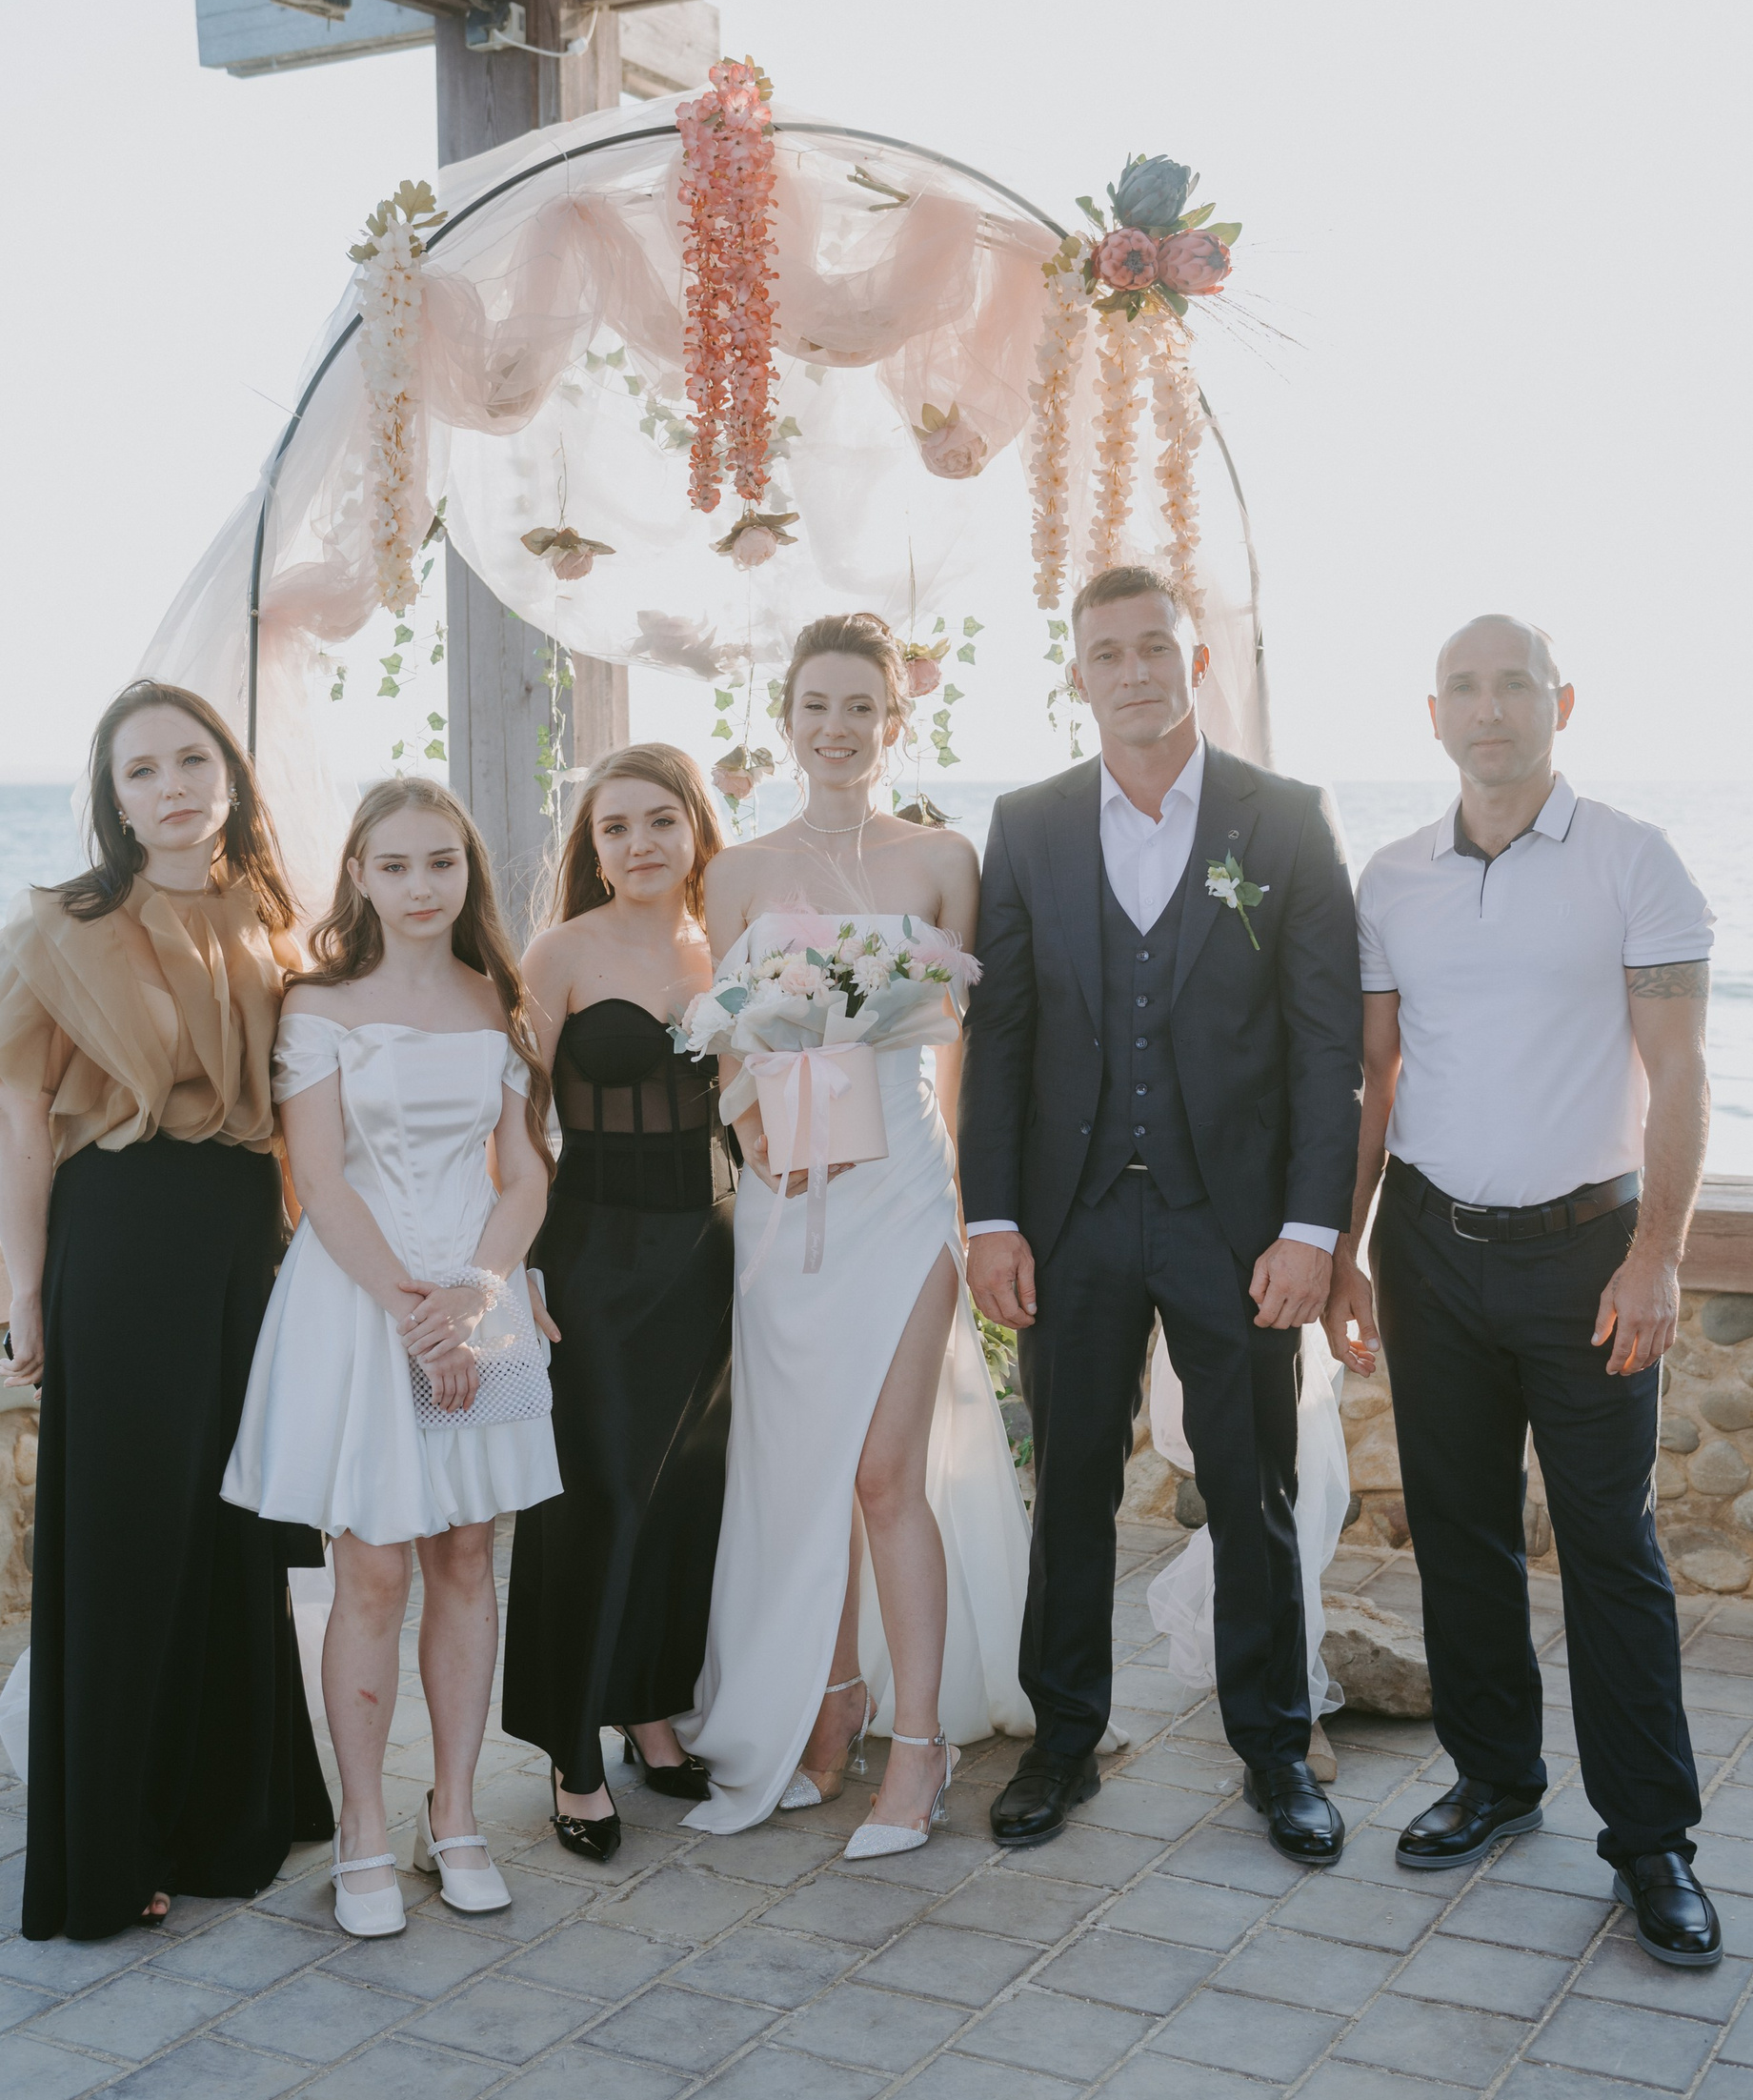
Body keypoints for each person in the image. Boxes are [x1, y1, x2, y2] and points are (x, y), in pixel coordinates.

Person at [1327, 615, 1722, 1968]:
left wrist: (1657, 1252)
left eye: (1514, 685)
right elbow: (1375, 1079)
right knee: (1458, 1527)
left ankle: (1652, 1839)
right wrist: (1346, 1248)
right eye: (1465, 688)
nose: (1489, 709)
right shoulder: (1392, 879)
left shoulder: (1633, 859)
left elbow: (1680, 1071)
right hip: (1430, 1249)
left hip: (1587, 1252)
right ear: (1432, 713)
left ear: (1562, 702)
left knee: (1611, 1544)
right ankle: (1495, 1776)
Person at [960, 564, 1362, 1864]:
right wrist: (991, 1216)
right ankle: (1064, 1739)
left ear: (1195, 661)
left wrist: (1312, 1231)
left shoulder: (1284, 819)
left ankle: (1277, 1750)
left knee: (1254, 1490)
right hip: (1069, 1221)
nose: (1133, 670)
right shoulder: (1025, 825)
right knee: (1068, 1486)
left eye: (1154, 647)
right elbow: (1001, 1037)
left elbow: (1326, 1047)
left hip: (1234, 1226)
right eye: (1107, 652)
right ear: (1077, 674)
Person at [0, 679, 332, 1940]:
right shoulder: (67, 929)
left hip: (244, 1244)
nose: (172, 787)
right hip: (123, 1239)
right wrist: (26, 1290)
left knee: (235, 1528)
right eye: (141, 771)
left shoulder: (272, 920)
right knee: (130, 1540)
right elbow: (16, 1122)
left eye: (191, 760)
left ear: (229, 774)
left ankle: (233, 1813)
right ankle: (112, 1847)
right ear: (113, 800)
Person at [678, 612, 1031, 1853]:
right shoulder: (737, 870)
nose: (837, 728)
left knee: (885, 1473)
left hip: (904, 1194)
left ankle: (920, 1746)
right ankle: (831, 1705)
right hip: (791, 1201)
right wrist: (755, 1138)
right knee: (805, 1474)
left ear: (895, 718)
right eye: (816, 705)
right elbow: (726, 1045)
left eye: (861, 706)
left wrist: (981, 1210)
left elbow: (974, 1056)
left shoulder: (942, 858)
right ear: (786, 718)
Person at [222, 778, 560, 1939]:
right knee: (371, 1569)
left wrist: (477, 1295)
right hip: (360, 1301)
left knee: (467, 1555)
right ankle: (362, 1828)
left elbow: (525, 1173)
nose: (422, 886)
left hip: (478, 1289)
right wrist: (415, 1316)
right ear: (360, 876)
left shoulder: (498, 998)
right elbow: (318, 1178)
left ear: (469, 871)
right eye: (397, 865)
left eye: (442, 863)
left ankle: (452, 1816)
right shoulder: (317, 1005)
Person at [501, 747, 735, 1865]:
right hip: (593, 1255)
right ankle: (570, 1747)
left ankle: (649, 1710)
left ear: (696, 829)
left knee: (687, 1494)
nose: (639, 844)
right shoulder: (560, 953)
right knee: (593, 1496)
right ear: (591, 850)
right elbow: (513, 1118)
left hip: (712, 1249)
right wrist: (514, 1263)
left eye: (659, 821)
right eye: (614, 827)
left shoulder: (733, 945)